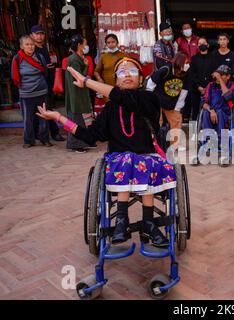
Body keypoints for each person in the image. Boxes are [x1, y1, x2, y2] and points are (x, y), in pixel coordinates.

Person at [36, 57, 174, 247]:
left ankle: (148, 222)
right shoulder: (110, 109)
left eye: (133, 71)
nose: (127, 75)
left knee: (144, 161)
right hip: (120, 161)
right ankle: (121, 220)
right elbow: (90, 136)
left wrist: (86, 82)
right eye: (122, 72)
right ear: (116, 81)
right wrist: (59, 117)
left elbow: (125, 98)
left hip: (146, 159)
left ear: (141, 80)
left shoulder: (149, 99)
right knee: (125, 159)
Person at [11, 35, 51, 148]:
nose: (30, 47)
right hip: (26, 93)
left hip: (41, 92)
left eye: (32, 44)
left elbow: (45, 72)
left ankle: (44, 139)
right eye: (27, 44)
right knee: (27, 119)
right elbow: (14, 76)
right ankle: (28, 141)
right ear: (21, 46)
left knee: (44, 117)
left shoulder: (39, 56)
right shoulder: (17, 58)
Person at [146, 52, 190, 150]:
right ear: (180, 62)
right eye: (186, 63)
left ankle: (176, 145)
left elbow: (184, 90)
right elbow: (151, 82)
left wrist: (178, 107)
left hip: (172, 102)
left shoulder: (186, 74)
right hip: (157, 100)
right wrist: (150, 99)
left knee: (177, 121)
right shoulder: (165, 69)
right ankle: (154, 144)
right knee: (156, 122)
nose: (188, 65)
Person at [30, 24, 65, 142]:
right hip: (37, 84)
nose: (39, 36)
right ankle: (53, 133)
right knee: (44, 109)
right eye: (37, 34)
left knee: (46, 107)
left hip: (47, 83)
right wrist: (45, 67)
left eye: (41, 34)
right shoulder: (31, 49)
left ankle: (42, 133)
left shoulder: (45, 48)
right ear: (31, 35)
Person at [65, 34, 93, 153]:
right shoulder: (74, 59)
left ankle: (80, 142)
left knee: (79, 118)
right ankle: (76, 144)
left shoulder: (76, 58)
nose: (86, 46)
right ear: (79, 45)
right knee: (77, 118)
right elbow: (79, 77)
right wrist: (86, 66)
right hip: (76, 93)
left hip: (78, 92)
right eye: (85, 43)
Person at [201, 65, 234, 147]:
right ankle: (207, 140)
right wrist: (211, 110)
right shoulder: (210, 85)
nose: (218, 77)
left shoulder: (232, 85)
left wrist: (220, 80)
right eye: (218, 74)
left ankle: (221, 141)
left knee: (220, 112)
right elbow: (203, 102)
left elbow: (228, 96)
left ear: (228, 76)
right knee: (205, 112)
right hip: (212, 113)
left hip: (225, 114)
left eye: (221, 75)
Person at [188, 36, 213, 121]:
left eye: (203, 43)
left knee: (210, 109)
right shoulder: (194, 59)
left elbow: (214, 74)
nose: (201, 45)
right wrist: (198, 86)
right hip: (196, 89)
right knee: (195, 110)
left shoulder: (213, 58)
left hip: (210, 89)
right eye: (199, 44)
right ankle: (193, 132)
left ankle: (208, 128)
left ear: (208, 45)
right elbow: (192, 74)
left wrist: (207, 87)